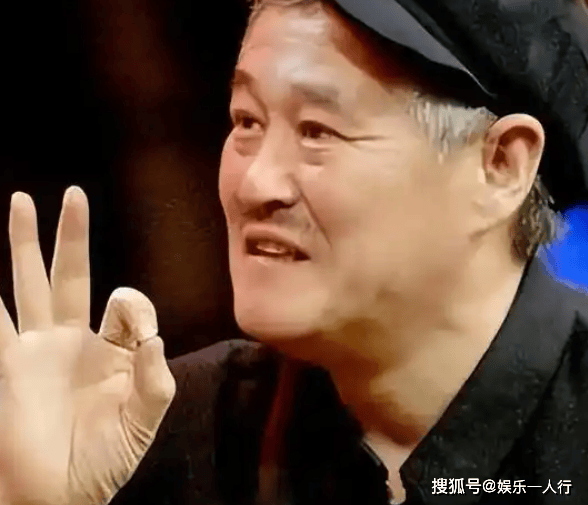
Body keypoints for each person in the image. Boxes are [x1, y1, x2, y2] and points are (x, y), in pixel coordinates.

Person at [1, 0, 588, 504]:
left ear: (500, 166)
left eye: (316, 130)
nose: (255, 184)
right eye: (246, 121)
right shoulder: (156, 432)